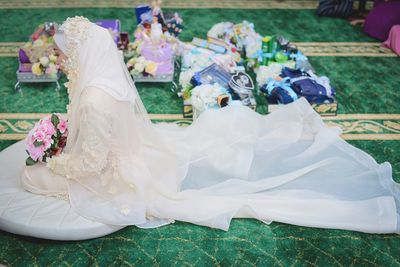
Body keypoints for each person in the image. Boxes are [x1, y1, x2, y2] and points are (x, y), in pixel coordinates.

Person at [2, 16, 400, 234]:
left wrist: (54, 160)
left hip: (110, 175)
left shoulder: (92, 97)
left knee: (30, 176)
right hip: (125, 156)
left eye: (68, 53)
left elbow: (90, 164)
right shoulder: (103, 84)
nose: (65, 60)